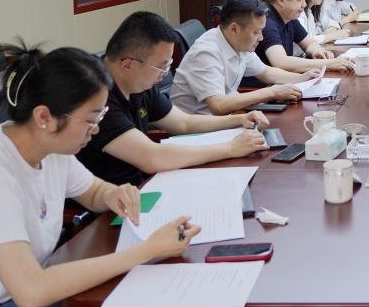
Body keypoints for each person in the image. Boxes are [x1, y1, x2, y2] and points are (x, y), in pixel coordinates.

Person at [0, 44, 199, 307]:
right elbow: (31, 291)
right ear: (44, 117)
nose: (95, 129)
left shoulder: (49, 147)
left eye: (99, 117)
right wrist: (147, 250)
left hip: (33, 297)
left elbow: (94, 192)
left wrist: (113, 193)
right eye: (90, 119)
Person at [76, 12, 271, 187]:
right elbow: (151, 158)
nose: (165, 74)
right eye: (161, 67)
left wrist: (239, 120)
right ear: (128, 64)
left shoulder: (138, 84)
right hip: (112, 201)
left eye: (168, 65)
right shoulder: (96, 97)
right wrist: (230, 148)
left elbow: (183, 123)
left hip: (144, 184)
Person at [169, 0, 321, 116]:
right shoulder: (207, 52)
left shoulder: (238, 42)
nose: (261, 38)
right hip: (197, 131)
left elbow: (265, 72)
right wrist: (271, 92)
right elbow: (218, 105)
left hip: (224, 119)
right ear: (234, 29)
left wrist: (303, 78)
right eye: (256, 32)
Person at [258, 0, 353, 73]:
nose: (304, 4)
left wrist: (317, 51)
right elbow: (281, 62)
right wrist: (328, 63)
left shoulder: (289, 17)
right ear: (281, 0)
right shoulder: (266, 21)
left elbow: (309, 43)